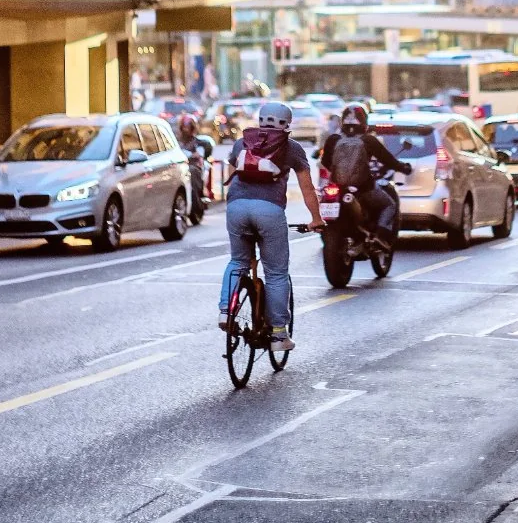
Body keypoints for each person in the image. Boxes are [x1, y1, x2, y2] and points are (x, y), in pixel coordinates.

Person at [219, 101, 323, 353]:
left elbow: (230, 179)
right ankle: (278, 334)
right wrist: (316, 219)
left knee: (237, 262)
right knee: (276, 273)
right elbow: (307, 188)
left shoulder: (241, 142)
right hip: (269, 211)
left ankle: (226, 311)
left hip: (236, 208)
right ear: (287, 124)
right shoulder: (292, 148)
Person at [318, 102, 409, 246]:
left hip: (336, 188)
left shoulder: (333, 140)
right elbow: (388, 160)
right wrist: (403, 167)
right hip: (363, 189)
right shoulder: (368, 140)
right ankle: (380, 235)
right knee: (389, 205)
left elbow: (326, 162)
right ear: (364, 122)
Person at [175, 113, 215, 223]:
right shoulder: (176, 143)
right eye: (184, 127)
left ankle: (196, 205)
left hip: (193, 168)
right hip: (179, 168)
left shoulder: (198, 143)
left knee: (192, 173)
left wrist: (193, 155)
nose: (186, 129)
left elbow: (200, 154)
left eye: (188, 127)